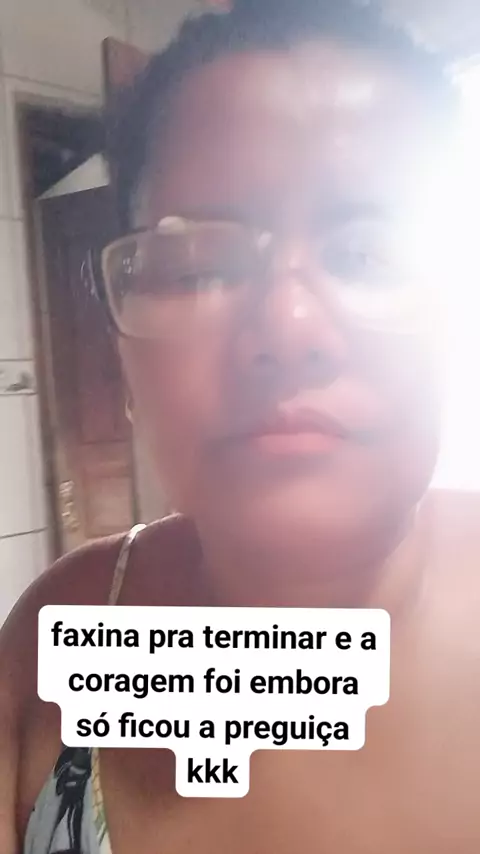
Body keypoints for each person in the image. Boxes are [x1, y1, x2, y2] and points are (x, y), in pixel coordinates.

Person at [1, 0, 479, 851]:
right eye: (197, 267)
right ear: (123, 350)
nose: (287, 327)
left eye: (367, 253)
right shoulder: (53, 636)